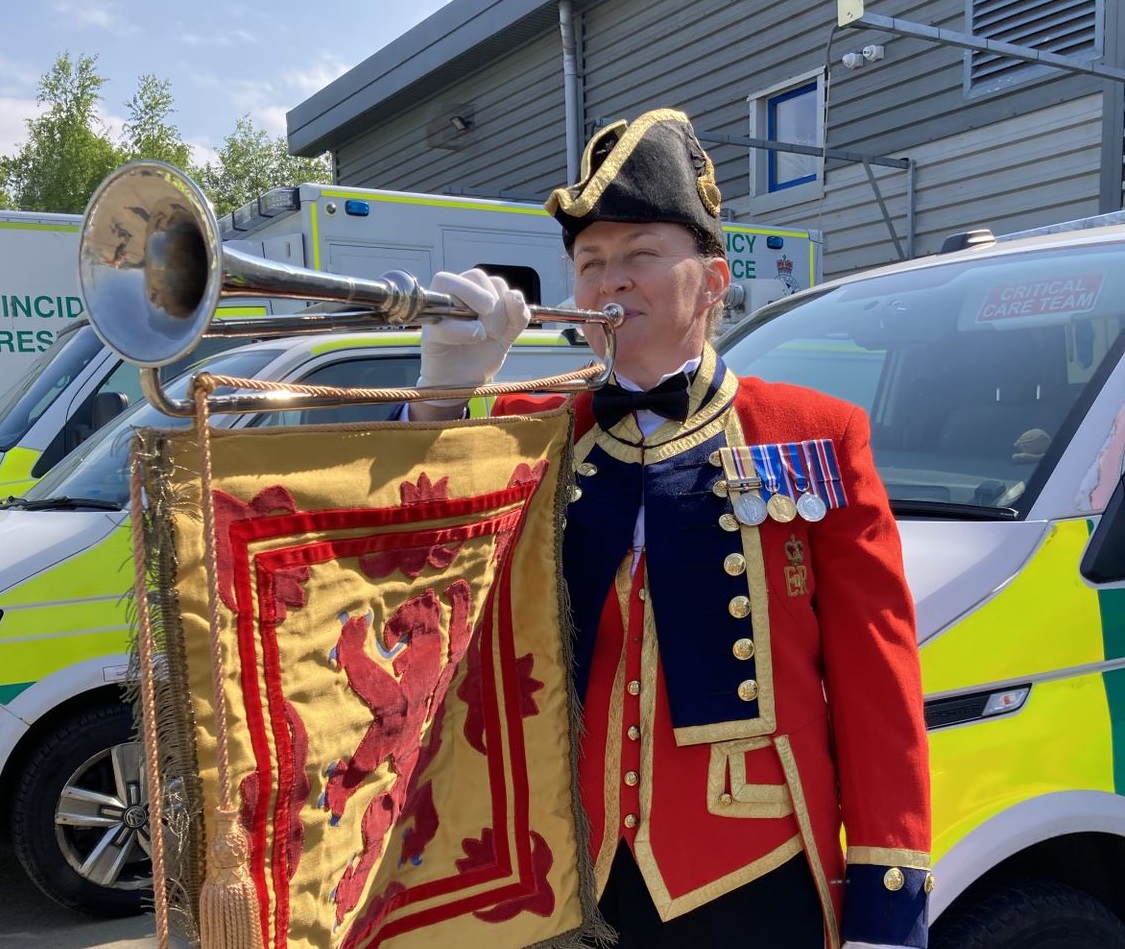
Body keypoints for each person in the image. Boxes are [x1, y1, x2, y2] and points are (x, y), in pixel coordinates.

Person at [411, 107, 931, 949]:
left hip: (752, 869)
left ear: (713, 281)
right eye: (590, 262)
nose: (609, 282)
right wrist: (437, 392)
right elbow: (417, 560)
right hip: (559, 866)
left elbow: (877, 678)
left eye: (640, 255)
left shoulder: (813, 430)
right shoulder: (533, 429)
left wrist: (886, 903)